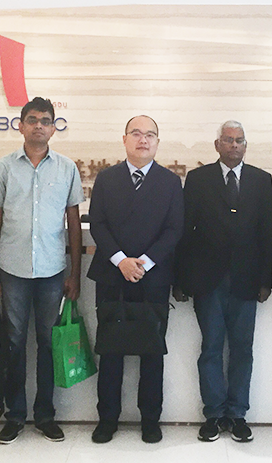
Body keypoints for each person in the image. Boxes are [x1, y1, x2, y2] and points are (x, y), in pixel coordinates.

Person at [0, 97, 84, 445]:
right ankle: (15, 416)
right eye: (32, 119)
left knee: (48, 343)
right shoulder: (4, 168)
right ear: (21, 125)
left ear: (54, 128)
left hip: (53, 271)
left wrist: (75, 274)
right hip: (12, 270)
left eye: (46, 120)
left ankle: (45, 415)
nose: (39, 125)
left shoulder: (67, 168)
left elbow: (73, 222)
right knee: (13, 344)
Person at [174, 120, 272, 443]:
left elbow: (266, 233)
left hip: (247, 280)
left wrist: (266, 280)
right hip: (207, 281)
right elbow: (185, 231)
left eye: (239, 140)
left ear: (246, 145)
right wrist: (180, 279)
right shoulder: (198, 179)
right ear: (217, 145)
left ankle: (238, 414)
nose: (234, 145)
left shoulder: (261, 180)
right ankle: (214, 415)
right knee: (211, 348)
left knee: (243, 349)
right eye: (228, 140)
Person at [87, 115, 183, 444]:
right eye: (137, 134)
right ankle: (107, 419)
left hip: (153, 278)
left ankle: (150, 420)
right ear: (124, 139)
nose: (144, 140)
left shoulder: (170, 182)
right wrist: (121, 261)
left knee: (152, 351)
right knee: (110, 350)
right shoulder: (106, 178)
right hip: (112, 276)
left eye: (150, 135)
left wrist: (144, 263)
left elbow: (174, 229)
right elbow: (97, 223)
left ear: (157, 142)